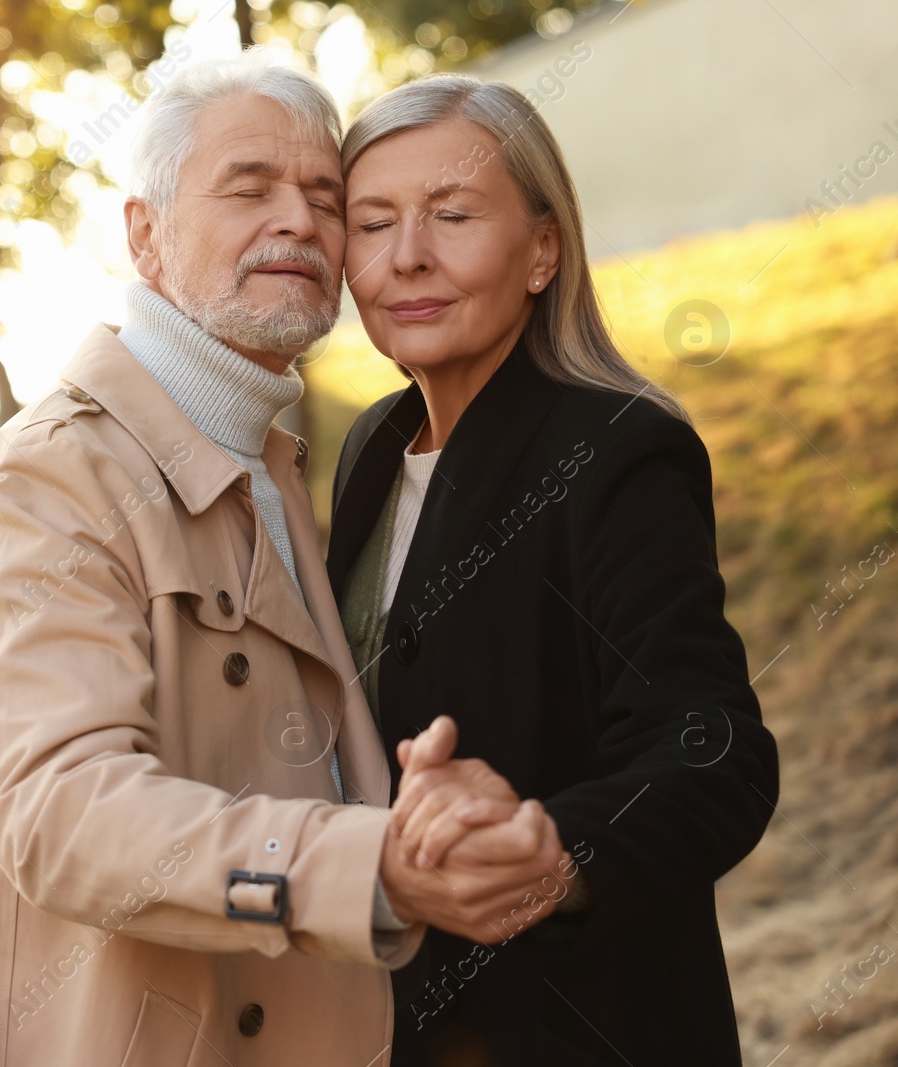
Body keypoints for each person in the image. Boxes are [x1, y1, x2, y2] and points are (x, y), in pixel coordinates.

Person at [0, 52, 563, 1067]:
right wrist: (367, 863)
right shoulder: (46, 480)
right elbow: (61, 815)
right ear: (145, 237)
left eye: (325, 198)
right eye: (249, 189)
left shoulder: (270, 464)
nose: (298, 221)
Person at [329, 74, 780, 1065]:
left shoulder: (617, 448)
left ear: (542, 250)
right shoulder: (370, 449)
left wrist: (553, 849)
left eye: (451, 214)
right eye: (373, 222)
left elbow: (711, 750)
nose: (407, 255)